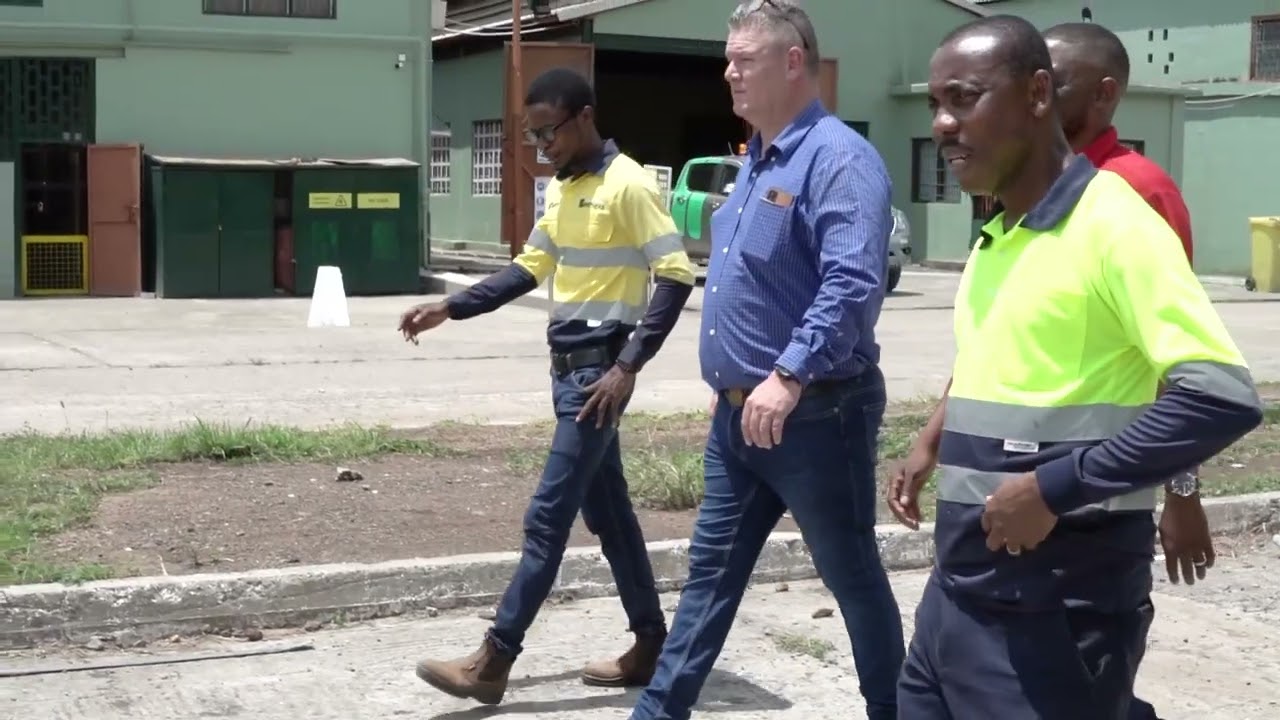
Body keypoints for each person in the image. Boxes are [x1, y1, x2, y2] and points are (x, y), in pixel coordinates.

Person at [890, 14, 1263, 719]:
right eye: (935, 104)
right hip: (958, 596)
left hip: (1058, 605)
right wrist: (931, 442)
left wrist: (1054, 488)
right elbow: (997, 371)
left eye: (964, 99)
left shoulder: (1116, 225)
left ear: (1037, 95)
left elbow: (1219, 397)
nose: (941, 123)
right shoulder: (999, 237)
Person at [630, 2, 904, 719]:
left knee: (852, 578)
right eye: (728, 58)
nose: (729, 71)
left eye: (744, 59)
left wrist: (787, 376)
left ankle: (898, 710)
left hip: (815, 415)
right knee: (707, 582)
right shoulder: (754, 159)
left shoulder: (839, 159)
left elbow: (852, 282)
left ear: (792, 62)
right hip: (737, 423)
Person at [400, 67, 697, 706]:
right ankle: (651, 641)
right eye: (533, 138)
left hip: (598, 377)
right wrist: (450, 308)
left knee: (547, 519)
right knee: (610, 516)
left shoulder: (630, 186)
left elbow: (674, 277)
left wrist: (627, 368)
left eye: (549, 133)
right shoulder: (561, 190)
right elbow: (529, 268)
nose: (544, 148)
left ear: (584, 116)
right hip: (568, 374)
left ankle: (494, 658)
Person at [1045, 22, 1209, 720]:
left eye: (1052, 86)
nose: (1035, 101)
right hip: (1030, 486)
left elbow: (1182, 361)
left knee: (1092, 687)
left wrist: (1182, 491)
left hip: (1105, 502)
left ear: (1105, 94)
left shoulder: (1137, 192)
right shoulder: (1040, 190)